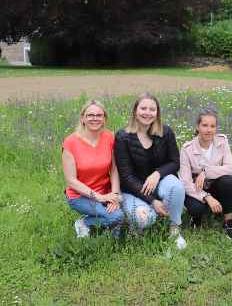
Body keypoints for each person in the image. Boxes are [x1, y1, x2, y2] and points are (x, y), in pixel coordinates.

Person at [114, 93, 187, 249]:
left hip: (160, 182)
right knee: (144, 219)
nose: (147, 112)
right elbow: (126, 177)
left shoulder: (165, 132)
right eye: (143, 108)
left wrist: (157, 174)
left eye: (152, 109)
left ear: (157, 113)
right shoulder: (123, 137)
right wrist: (152, 201)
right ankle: (135, 220)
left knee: (177, 187)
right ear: (135, 111)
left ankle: (174, 228)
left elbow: (175, 162)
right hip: (132, 189)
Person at [62, 100, 124, 238]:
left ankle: (115, 241)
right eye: (90, 115)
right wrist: (101, 198)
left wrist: (113, 195)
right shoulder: (70, 142)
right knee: (117, 216)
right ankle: (85, 223)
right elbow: (71, 181)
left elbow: (114, 169)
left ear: (104, 119)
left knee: (127, 212)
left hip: (106, 191)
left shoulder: (110, 137)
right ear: (82, 118)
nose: (94, 118)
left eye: (99, 115)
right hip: (80, 195)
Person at [179, 109, 232, 239]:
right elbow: (186, 183)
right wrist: (207, 197)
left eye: (212, 126)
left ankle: (228, 223)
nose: (208, 130)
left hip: (216, 186)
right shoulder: (187, 149)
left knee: (228, 181)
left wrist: (205, 172)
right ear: (197, 126)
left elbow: (230, 169)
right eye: (204, 125)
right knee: (196, 208)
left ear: (216, 128)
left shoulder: (222, 142)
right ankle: (196, 218)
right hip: (196, 190)